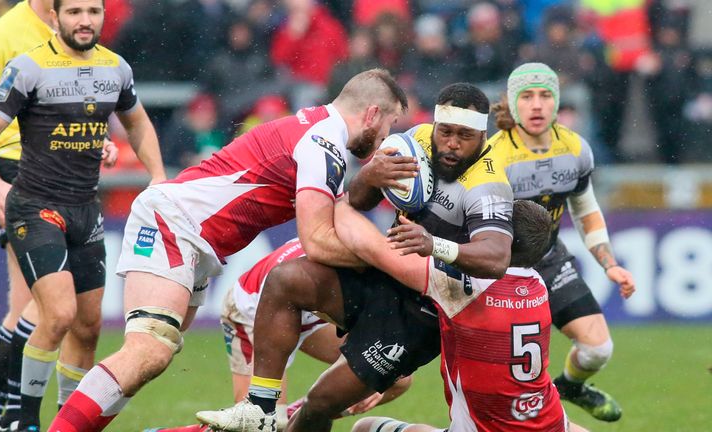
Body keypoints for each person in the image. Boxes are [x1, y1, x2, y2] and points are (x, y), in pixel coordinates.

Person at [46, 68, 408, 432]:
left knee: (156, 352)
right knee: (150, 348)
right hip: (176, 222)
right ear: (372, 114)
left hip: (197, 239)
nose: (383, 137)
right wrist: (395, 261)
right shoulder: (324, 143)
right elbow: (316, 240)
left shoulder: (320, 133)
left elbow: (341, 221)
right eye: (388, 125)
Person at [196, 83, 515, 432]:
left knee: (320, 404)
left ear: (482, 136)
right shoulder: (418, 140)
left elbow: (496, 257)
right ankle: (259, 407)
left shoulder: (488, 183)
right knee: (286, 280)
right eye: (446, 131)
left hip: (419, 315)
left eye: (464, 136)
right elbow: (358, 200)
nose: (452, 143)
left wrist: (434, 244)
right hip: (382, 277)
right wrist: (370, 176)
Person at [0, 0, 166, 431]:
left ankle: (64, 422)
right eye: (74, 12)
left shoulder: (115, 68)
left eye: (93, 11)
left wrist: (158, 176)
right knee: (55, 313)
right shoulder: (23, 62)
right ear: (56, 16)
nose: (84, 20)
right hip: (33, 203)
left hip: (86, 208)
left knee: (86, 328)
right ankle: (21, 418)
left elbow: (134, 122)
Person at [335, 200, 589, 432]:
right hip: (547, 419)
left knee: (365, 428)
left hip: (481, 429)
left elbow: (370, 247)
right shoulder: (538, 285)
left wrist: (339, 200)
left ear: (504, 239)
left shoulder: (465, 286)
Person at [489, 62, 636, 422]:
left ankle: (570, 387)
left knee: (598, 349)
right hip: (497, 270)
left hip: (551, 258)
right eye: (526, 97)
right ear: (512, 102)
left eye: (545, 96)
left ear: (556, 102)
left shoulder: (575, 148)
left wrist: (610, 263)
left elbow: (585, 208)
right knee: (504, 369)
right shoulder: (493, 156)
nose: (536, 105)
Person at [147, 238, 411, 432]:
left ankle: (306, 410)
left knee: (396, 377)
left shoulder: (361, 252)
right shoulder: (352, 259)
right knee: (262, 425)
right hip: (251, 314)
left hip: (310, 314)